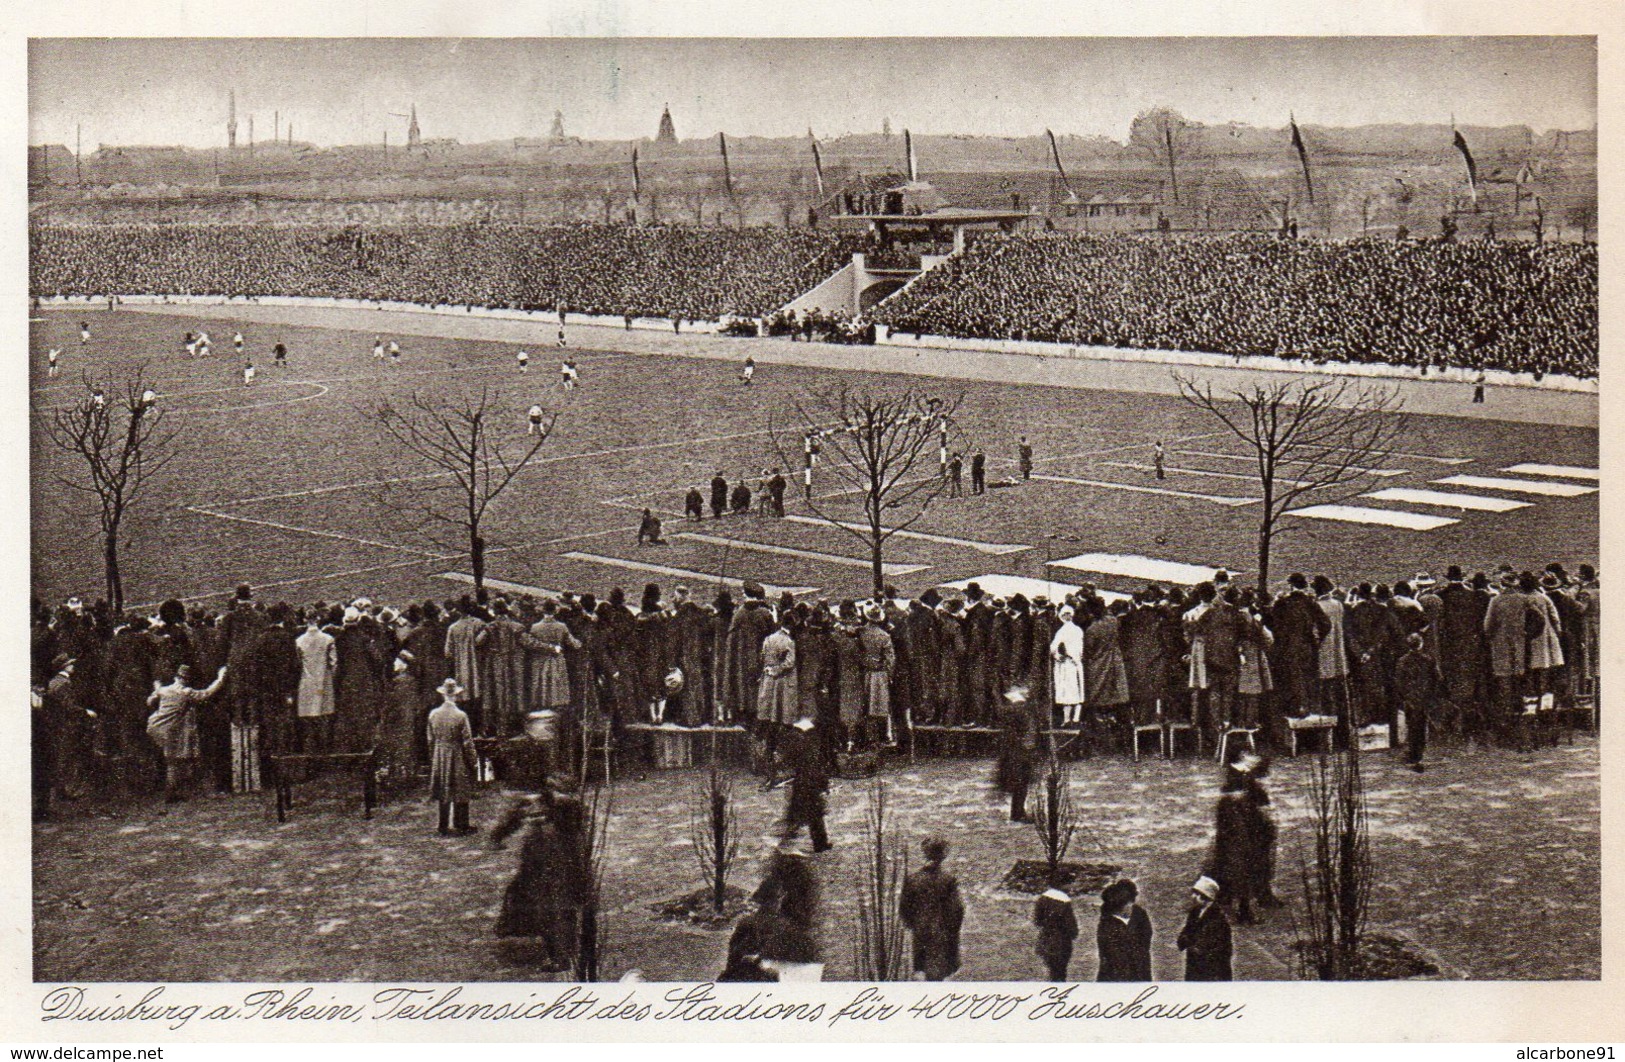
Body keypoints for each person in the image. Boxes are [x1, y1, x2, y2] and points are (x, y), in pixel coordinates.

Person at [146, 663, 229, 805]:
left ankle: (174, 794)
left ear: (175, 677)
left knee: (173, 763)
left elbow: (149, 702)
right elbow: (207, 693)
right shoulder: (186, 692)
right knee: (177, 763)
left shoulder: (164, 690)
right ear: (186, 679)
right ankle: (173, 795)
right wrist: (220, 678)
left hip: (157, 727)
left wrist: (156, 691)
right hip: (174, 732)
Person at [899, 837, 964, 981]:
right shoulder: (948, 880)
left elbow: (904, 909)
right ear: (943, 856)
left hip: (921, 930)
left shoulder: (912, 879)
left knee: (924, 971)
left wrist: (915, 924)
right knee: (939, 973)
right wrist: (953, 930)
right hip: (942, 931)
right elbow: (957, 910)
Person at [427, 677, 477, 836]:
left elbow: (430, 739)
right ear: (455, 695)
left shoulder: (433, 714)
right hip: (456, 753)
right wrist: (473, 759)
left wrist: (434, 756)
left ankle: (443, 825)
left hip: (440, 753)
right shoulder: (461, 715)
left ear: (443, 695)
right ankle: (461, 824)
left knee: (443, 786)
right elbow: (467, 741)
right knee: (460, 786)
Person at [780, 716, 830, 852]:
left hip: (803, 782)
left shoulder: (796, 741)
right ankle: (820, 843)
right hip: (809, 784)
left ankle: (787, 836)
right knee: (813, 815)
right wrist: (824, 784)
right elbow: (818, 767)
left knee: (800, 814)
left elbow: (788, 760)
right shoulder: (810, 745)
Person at [1394, 632, 1438, 772]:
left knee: (1411, 724)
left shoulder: (1402, 661)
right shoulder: (1429, 660)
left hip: (1410, 698)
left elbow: (1399, 681)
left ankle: (1414, 753)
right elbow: (1435, 678)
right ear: (1421, 644)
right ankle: (1420, 752)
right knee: (1422, 724)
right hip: (1424, 697)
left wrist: (1404, 696)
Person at [994, 685, 1039, 823]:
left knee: (1019, 783)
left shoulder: (1011, 710)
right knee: (1021, 783)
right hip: (1022, 751)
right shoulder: (1021, 709)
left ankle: (1018, 813)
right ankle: (1018, 814)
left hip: (1015, 750)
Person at [1096, 878, 1154, 982]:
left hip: (1141, 970)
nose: (1131, 906)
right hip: (1116, 975)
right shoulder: (1107, 924)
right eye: (1128, 904)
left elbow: (1146, 939)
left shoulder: (1139, 914)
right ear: (1118, 906)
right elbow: (1112, 956)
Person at [1177, 875, 1233, 981]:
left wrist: (1192, 943)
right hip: (1194, 968)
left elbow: (1214, 948)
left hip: (1213, 973)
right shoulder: (1194, 913)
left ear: (1206, 896)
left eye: (1197, 894)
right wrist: (1188, 941)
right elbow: (1183, 937)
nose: (1193, 896)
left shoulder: (1218, 918)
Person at [1033, 884, 1079, 982]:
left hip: (1045, 938)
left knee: (1050, 968)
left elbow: (1037, 921)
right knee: (1060, 972)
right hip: (1061, 941)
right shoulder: (1064, 901)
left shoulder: (1043, 897)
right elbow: (1072, 927)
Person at [1051, 606, 1085, 727]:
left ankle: (1066, 719)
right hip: (1077, 663)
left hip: (1066, 664)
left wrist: (1057, 656)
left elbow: (1053, 647)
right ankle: (1076, 719)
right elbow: (1081, 649)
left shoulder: (1061, 631)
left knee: (1067, 691)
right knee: (1078, 690)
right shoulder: (1078, 630)